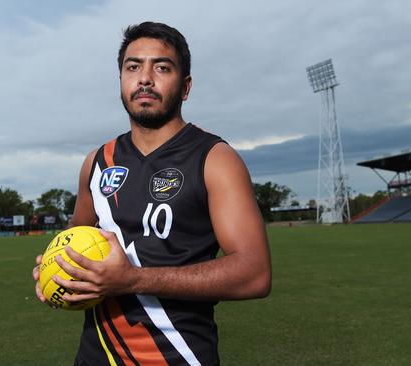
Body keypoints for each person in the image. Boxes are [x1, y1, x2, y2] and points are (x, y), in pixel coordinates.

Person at [33, 21, 271, 366]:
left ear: (185, 87)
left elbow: (254, 273)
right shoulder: (97, 163)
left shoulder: (215, 159)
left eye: (162, 67)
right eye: (133, 67)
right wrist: (58, 271)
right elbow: (75, 241)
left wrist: (133, 280)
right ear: (121, 82)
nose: (145, 78)